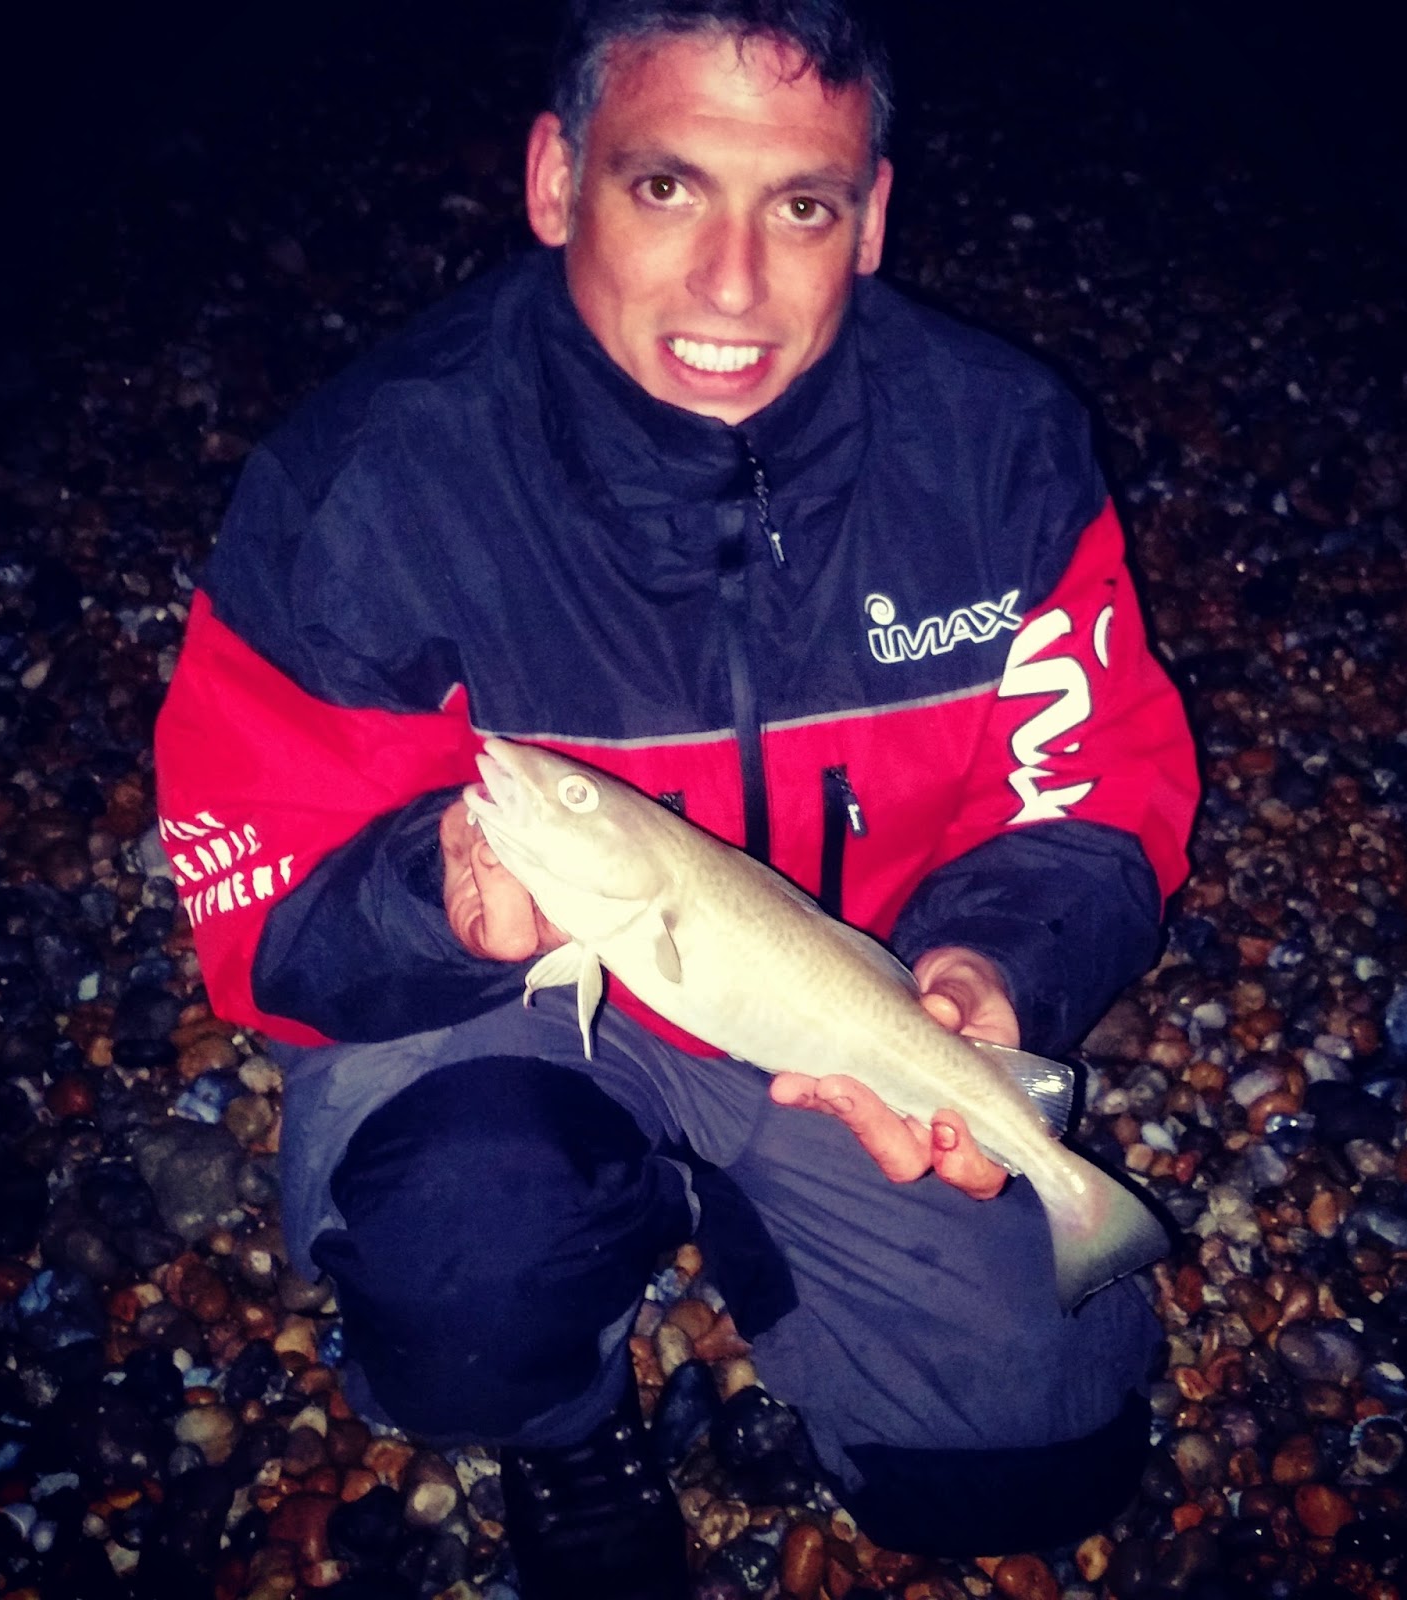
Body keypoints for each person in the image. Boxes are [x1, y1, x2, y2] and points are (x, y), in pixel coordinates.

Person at [154, 2, 1199, 1594]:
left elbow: (1101, 790)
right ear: (557, 177)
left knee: (1033, 1457)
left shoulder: (998, 447)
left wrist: (995, 969)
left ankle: (747, 1206)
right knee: (464, 1273)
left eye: (800, 206)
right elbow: (259, 897)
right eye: (665, 187)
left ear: (872, 219)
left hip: (850, 1006)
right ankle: (570, 1418)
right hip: (508, 1006)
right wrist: (433, 899)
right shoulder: (371, 476)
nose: (732, 284)